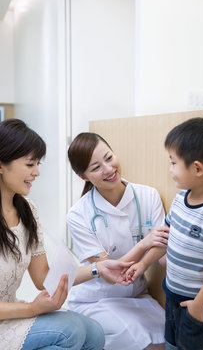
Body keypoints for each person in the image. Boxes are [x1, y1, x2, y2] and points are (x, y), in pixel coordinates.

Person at [0, 119, 134, 350]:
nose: (36, 172)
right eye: (30, 164)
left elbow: (43, 278)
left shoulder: (27, 211)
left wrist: (98, 268)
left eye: (37, 164)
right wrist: (31, 309)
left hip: (10, 315)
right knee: (69, 333)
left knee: (94, 332)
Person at [126, 117, 203, 350]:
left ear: (198, 168)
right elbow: (164, 239)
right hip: (172, 296)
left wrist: (199, 306)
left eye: (173, 162)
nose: (170, 170)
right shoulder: (180, 199)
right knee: (172, 345)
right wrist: (143, 264)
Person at [67, 132, 169, 350]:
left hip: (137, 294)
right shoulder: (78, 215)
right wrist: (143, 244)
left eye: (109, 157)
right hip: (96, 299)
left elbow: (161, 244)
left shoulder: (148, 196)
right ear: (83, 177)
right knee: (145, 344)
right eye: (95, 168)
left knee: (167, 339)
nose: (108, 169)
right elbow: (109, 274)